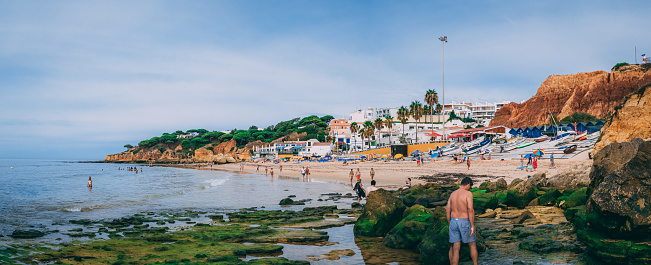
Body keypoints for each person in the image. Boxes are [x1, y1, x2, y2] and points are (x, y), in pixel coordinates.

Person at [446, 177, 478, 265]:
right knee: (472, 245)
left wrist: (449, 224)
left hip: (453, 221)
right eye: (470, 187)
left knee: (455, 249)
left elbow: (448, 211)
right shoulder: (468, 194)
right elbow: (470, 209)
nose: (470, 188)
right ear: (468, 184)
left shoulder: (452, 194)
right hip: (464, 221)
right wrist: (472, 226)